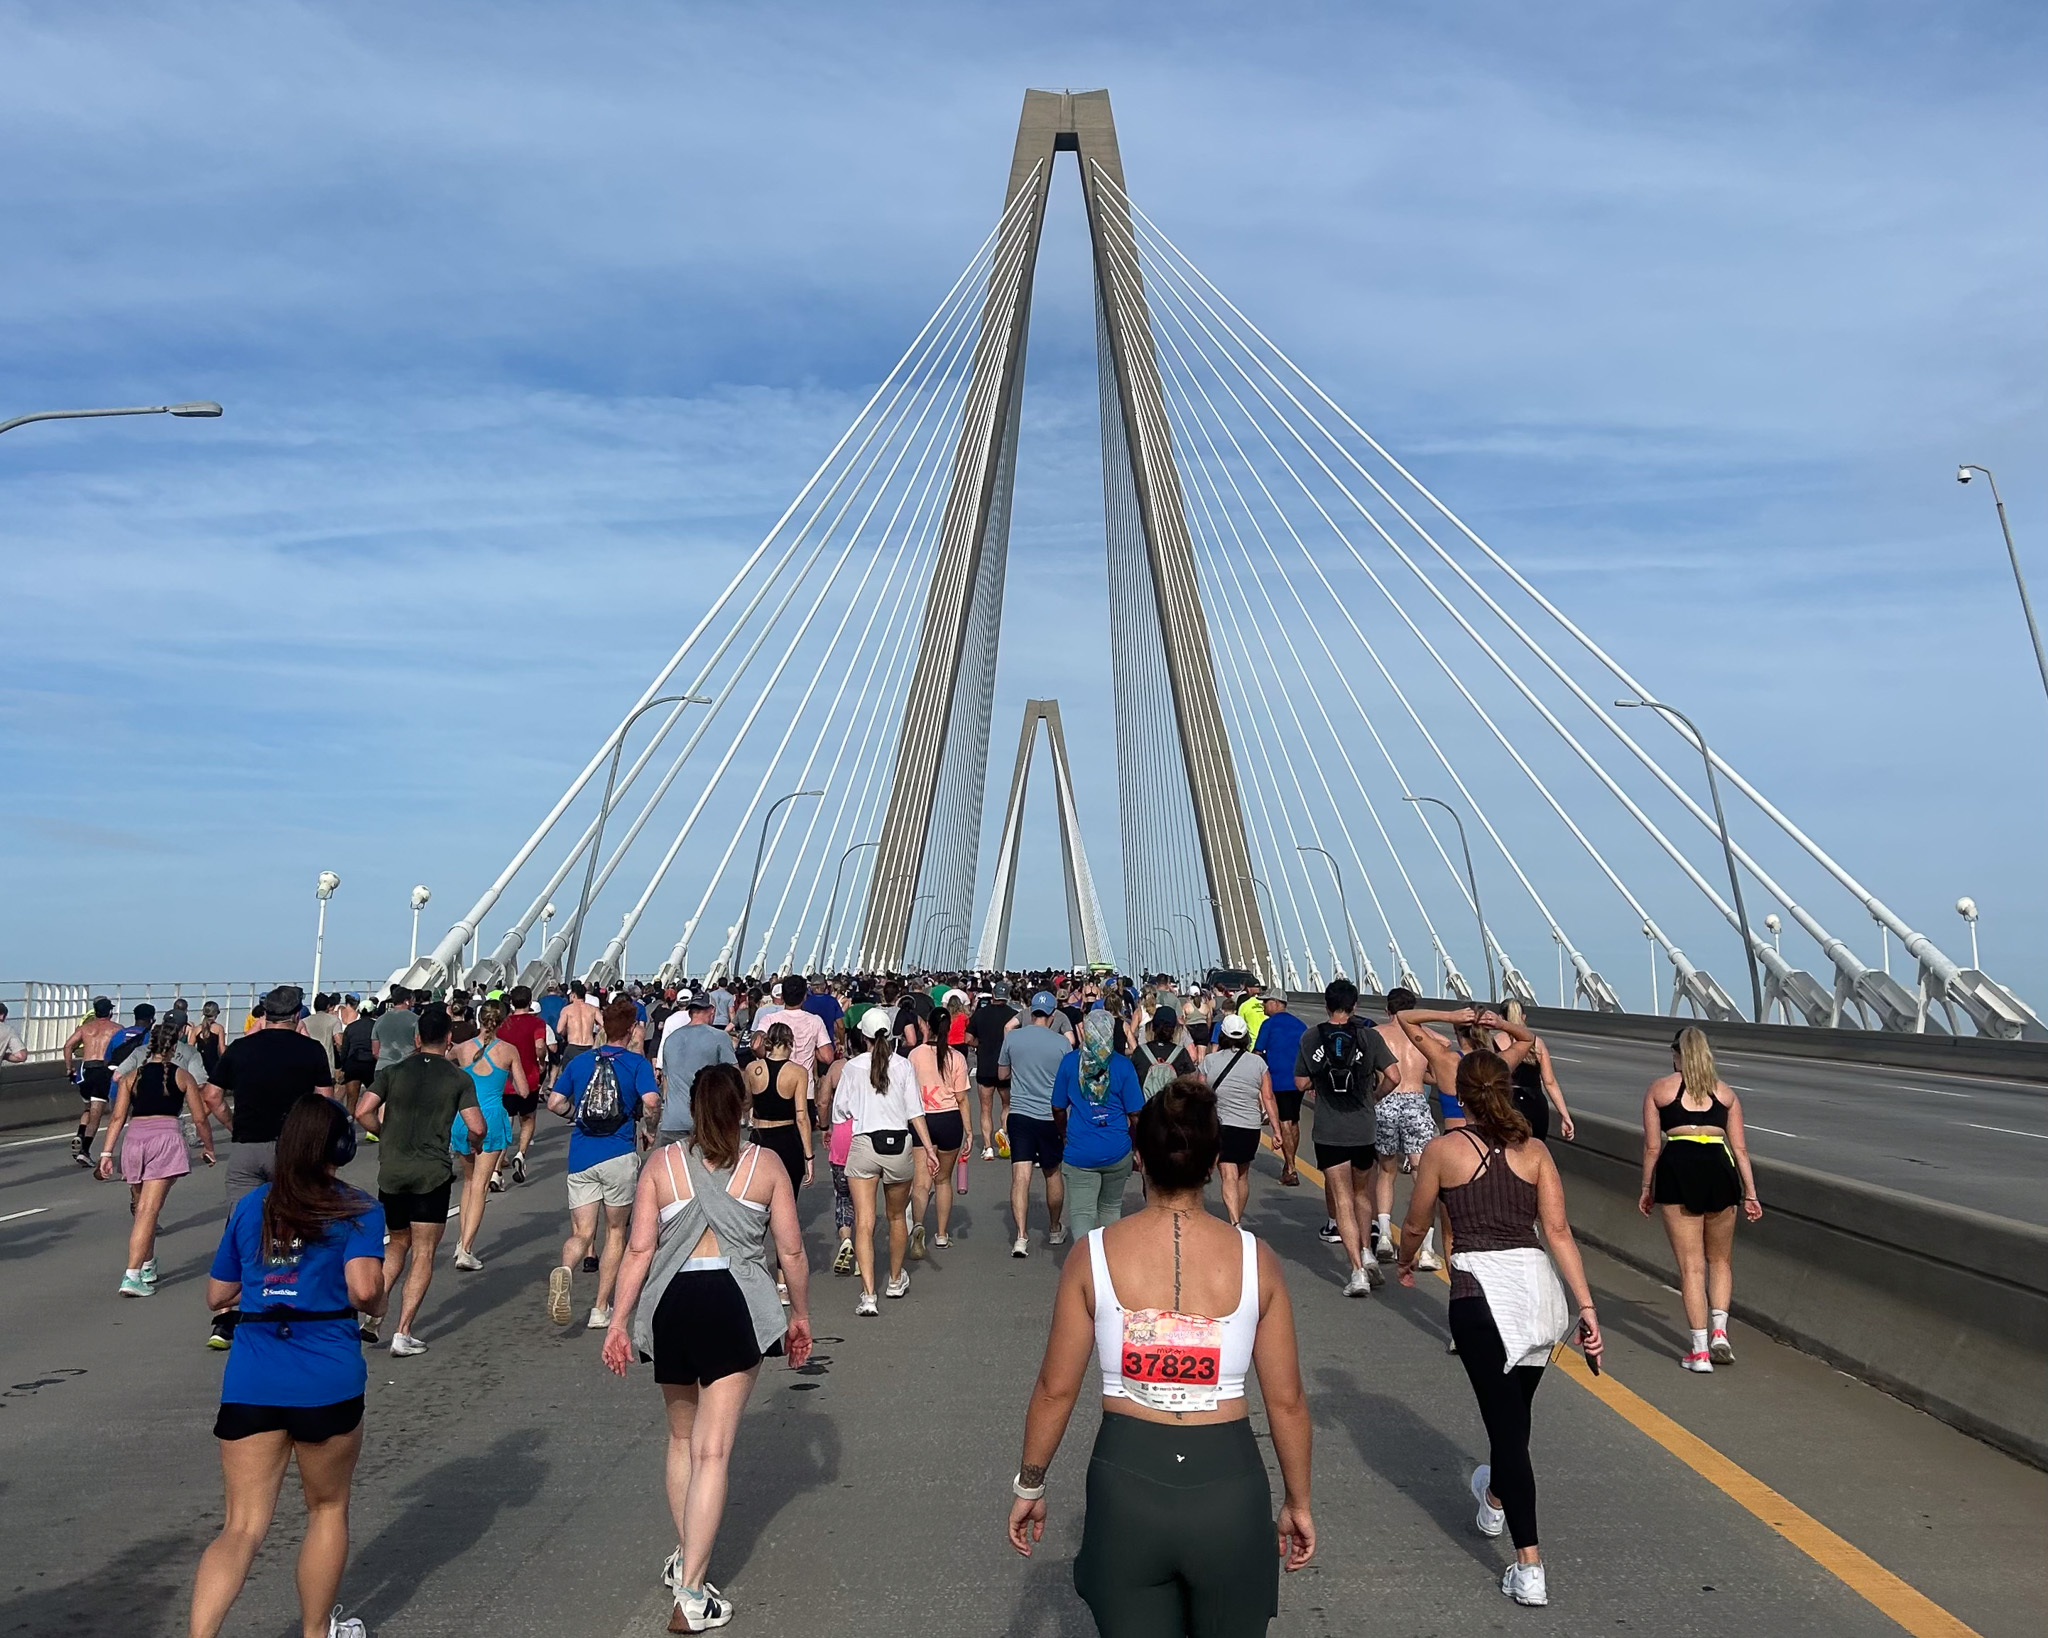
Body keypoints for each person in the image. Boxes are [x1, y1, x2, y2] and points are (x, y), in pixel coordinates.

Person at [1007, 1078, 1315, 1634]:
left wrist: (1031, 1484)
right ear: (1213, 1159)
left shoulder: (1093, 1256)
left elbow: (1055, 1390)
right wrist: (1298, 1501)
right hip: (1229, 1486)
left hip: (1127, 1483)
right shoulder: (1255, 1260)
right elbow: (1287, 1402)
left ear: (1139, 1159)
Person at [604, 1063, 813, 1634]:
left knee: (681, 1440)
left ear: (692, 1110)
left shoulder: (662, 1165)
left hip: (672, 1305)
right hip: (733, 1304)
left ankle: (685, 1557)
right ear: (743, 1108)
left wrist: (619, 1321)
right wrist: (799, 1315)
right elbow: (790, 1253)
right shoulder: (764, 1165)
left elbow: (639, 1252)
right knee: (713, 1452)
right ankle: (693, 1592)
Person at [1397, 1048, 1604, 1608]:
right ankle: (1493, 1498)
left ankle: (1529, 1565)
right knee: (1513, 1417)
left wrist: (1404, 1256)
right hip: (1537, 1297)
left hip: (1479, 1296)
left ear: (1460, 1095)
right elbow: (1557, 1231)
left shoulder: (1443, 1151)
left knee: (1509, 1431)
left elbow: (1416, 1222)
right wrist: (1585, 1308)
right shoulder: (1533, 1151)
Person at [192, 1095, 387, 1638]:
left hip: (254, 1374)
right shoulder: (358, 1208)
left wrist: (267, 1275)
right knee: (326, 1509)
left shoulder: (252, 1205)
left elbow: (217, 1294)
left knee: (241, 1527)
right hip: (326, 1375)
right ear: (341, 1149)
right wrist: (381, 1300)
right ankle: (315, 1631)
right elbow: (365, 1289)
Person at [355, 1003, 482, 1357]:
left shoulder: (394, 1071)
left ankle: (373, 1315)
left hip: (392, 1170)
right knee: (424, 1251)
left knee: (397, 1243)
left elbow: (362, 1110)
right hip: (431, 1173)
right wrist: (476, 1145)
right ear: (447, 1040)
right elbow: (476, 1125)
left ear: (416, 1037)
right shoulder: (458, 1077)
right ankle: (403, 1331)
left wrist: (385, 1135)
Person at [1639, 1027, 1762, 1371]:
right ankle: (1720, 1334)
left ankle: (1699, 1351)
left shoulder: (1660, 1090)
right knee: (1720, 1260)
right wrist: (1750, 1193)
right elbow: (1739, 1148)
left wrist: (1647, 1188)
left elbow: (1652, 1147)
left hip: (1679, 1167)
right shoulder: (1725, 1094)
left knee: (1692, 1266)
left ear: (1677, 1055)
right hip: (1720, 1170)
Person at [546, 998, 663, 1329]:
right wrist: (649, 1130)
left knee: (583, 1233)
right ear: (630, 1030)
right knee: (614, 1232)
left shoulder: (580, 1063)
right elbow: (651, 1102)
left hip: (582, 1154)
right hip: (618, 1153)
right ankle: (600, 1308)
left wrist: (576, 1117)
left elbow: (555, 1103)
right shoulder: (636, 1064)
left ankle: (566, 1270)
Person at [94, 1018, 214, 1294]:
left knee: (141, 1209)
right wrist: (208, 1148)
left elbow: (117, 1119)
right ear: (174, 1047)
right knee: (149, 1211)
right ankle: (132, 1275)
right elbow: (200, 1119)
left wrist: (106, 1153)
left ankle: (147, 1264)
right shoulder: (182, 1075)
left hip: (135, 1141)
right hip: (165, 1140)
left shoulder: (131, 1076)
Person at [1294, 980, 1397, 1297]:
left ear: (1326, 1005)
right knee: (1362, 1194)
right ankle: (1367, 1251)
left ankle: (1356, 1273)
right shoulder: (1370, 1036)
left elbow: (1299, 1083)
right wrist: (1373, 1097)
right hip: (1363, 1127)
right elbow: (1394, 1076)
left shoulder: (1312, 1037)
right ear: (1355, 1007)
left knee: (1342, 1200)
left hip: (1329, 1129)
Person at [841, 1008, 939, 1315]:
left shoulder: (853, 1067)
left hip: (865, 1145)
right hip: (898, 1146)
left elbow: (841, 1110)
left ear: (864, 1036)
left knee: (864, 1221)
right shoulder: (903, 1066)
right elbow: (915, 1111)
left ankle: (868, 1295)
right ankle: (895, 1279)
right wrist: (929, 1148)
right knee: (897, 1216)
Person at [448, 998, 528, 1268]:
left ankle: (461, 1241)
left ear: (478, 1019)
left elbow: (445, 1064)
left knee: (469, 1183)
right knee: (481, 1186)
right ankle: (466, 1249)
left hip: (463, 1117)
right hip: (491, 1117)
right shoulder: (508, 1051)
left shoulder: (461, 1049)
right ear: (502, 1021)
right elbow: (524, 1090)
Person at [1052, 1010, 1146, 1239]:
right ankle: (1108, 1262)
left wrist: (1063, 1134)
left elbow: (1057, 1107)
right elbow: (1136, 1114)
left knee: (1082, 1213)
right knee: (1110, 1209)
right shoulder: (1123, 1066)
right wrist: (1138, 1146)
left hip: (1080, 1148)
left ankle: (1085, 1264)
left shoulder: (1070, 1062)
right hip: (1116, 1148)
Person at [998, 991, 1071, 1258]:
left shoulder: (1013, 1037)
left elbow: (1002, 1074)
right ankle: (1054, 1228)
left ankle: (1020, 1236)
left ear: (1030, 1013)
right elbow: (1068, 1081)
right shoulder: (1062, 1044)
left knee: (1020, 1176)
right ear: (1052, 1016)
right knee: (1052, 1173)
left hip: (1020, 1113)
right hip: (1050, 1116)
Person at [1369, 987, 1436, 1264]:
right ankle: (1427, 1249)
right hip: (1416, 1102)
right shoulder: (1428, 1037)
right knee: (1424, 1176)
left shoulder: (1377, 1035)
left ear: (1388, 1010)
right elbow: (1434, 1074)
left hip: (1386, 1101)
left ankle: (1384, 1234)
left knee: (1386, 1170)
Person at [1202, 1013, 1280, 1228]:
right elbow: (1268, 1097)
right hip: (1250, 1127)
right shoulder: (1258, 1063)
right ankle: (1237, 1218)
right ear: (1245, 1036)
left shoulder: (1209, 1061)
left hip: (1221, 1124)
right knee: (1242, 1175)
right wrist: (1277, 1130)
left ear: (1223, 1036)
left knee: (1227, 1173)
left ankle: (1234, 1221)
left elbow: (1200, 1097)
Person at [905, 1008, 969, 1255]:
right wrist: (970, 1132)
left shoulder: (915, 1055)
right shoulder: (956, 1057)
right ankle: (941, 1234)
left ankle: (918, 1225)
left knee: (921, 1181)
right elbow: (962, 1098)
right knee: (943, 1180)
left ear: (927, 1026)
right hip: (950, 1119)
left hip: (922, 1120)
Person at [658, 991, 738, 1139]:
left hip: (673, 1121)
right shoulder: (720, 1037)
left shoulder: (671, 1039)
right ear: (712, 1010)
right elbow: (734, 1078)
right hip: (706, 1121)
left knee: (673, 1162)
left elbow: (666, 1082)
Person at [496, 985, 551, 1183]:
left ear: (511, 1002)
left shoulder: (503, 1024)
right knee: (527, 1118)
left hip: (506, 1081)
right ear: (529, 1002)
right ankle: (521, 1153)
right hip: (529, 1078)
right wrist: (542, 1062)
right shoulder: (537, 1023)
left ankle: (496, 1169)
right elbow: (539, 1046)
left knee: (505, 1122)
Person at [1497, 1000, 1573, 1144]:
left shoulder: (1494, 1042)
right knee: (1535, 1150)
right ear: (1523, 1017)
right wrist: (1565, 1115)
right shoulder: (1537, 1043)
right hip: (1535, 1104)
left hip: (1506, 1103)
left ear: (1500, 1018)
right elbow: (1549, 1083)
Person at [1252, 994, 1307, 1186]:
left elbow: (1258, 1053)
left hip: (1278, 1079)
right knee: (1293, 1120)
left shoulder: (1269, 1024)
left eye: (1266, 1002)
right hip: (1298, 1080)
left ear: (1276, 1003)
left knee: (1284, 1120)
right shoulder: (1300, 1025)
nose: (1263, 1006)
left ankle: (1291, 1169)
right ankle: (1288, 1164)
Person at [61, 996, 123, 1166]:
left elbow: (67, 1046)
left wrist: (69, 1068)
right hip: (103, 1070)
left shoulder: (85, 1028)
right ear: (110, 1012)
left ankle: (80, 1134)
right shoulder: (117, 1029)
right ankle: (85, 1151)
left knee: (88, 1107)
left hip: (85, 1070)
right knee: (97, 1112)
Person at [967, 982, 1017, 1160]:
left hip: (985, 1066)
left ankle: (988, 1148)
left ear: (993, 996)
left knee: (985, 1109)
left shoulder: (980, 1014)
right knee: (1007, 1106)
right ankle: (1004, 1133)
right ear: (1008, 996)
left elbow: (968, 1038)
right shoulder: (1013, 1016)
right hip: (1006, 1068)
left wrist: (979, 1046)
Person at [1128, 1006, 1196, 1101]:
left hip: (1147, 1109)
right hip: (1172, 1110)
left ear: (1153, 1027)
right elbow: (1191, 1083)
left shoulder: (1140, 1052)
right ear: (1174, 1029)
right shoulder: (1181, 1053)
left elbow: (1131, 1083)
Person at [558, 980, 603, 1075]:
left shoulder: (567, 1010)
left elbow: (559, 1029)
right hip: (589, 1046)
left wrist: (566, 1031)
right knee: (588, 1076)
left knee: (568, 1076)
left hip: (573, 1046)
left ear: (574, 995)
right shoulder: (593, 1009)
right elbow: (605, 1025)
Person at [370, 987, 418, 1076]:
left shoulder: (379, 1020)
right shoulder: (416, 1019)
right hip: (407, 1069)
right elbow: (419, 1045)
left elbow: (375, 1051)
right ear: (406, 1001)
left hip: (382, 1068)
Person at [303, 993, 342, 1075]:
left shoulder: (304, 1021)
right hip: (327, 1064)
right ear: (328, 1006)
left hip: (307, 1064)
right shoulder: (333, 1020)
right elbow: (339, 1042)